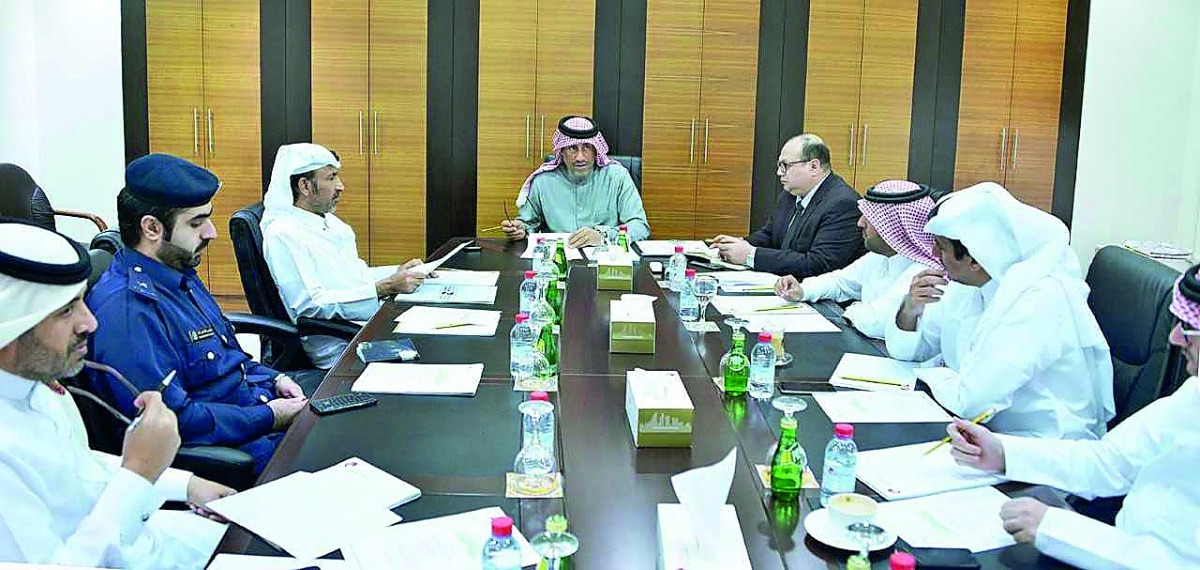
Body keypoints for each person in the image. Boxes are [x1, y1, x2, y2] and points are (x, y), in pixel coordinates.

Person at [0, 220, 232, 567]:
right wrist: (139, 471)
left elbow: (77, 470)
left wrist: (184, 485)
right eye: (66, 310)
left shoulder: (31, 380)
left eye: (80, 302)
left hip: (141, 539)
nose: (90, 323)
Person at [946, 263, 1200, 569]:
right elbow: (1110, 461)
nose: (1174, 338)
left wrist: (1057, 529)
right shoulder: (1192, 396)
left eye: (1188, 328)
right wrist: (1003, 453)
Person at [87, 153, 312, 474]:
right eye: (196, 223)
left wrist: (276, 378)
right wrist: (269, 416)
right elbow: (174, 420)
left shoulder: (176, 271)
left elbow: (225, 354)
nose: (211, 232)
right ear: (151, 228)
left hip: (256, 412)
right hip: (234, 452)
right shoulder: (128, 311)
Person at [886, 182, 1115, 440]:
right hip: (986, 435)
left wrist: (932, 373)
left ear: (974, 258)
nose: (933, 253)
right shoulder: (970, 286)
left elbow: (972, 403)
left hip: (1042, 445)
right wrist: (911, 307)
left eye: (941, 247)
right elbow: (911, 352)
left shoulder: (1038, 299)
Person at [261, 143, 428, 369]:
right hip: (340, 343)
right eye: (331, 178)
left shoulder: (331, 223)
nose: (341, 186)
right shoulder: (283, 234)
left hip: (364, 325)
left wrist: (398, 271)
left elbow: (354, 274)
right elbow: (310, 305)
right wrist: (384, 287)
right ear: (305, 186)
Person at [774, 180, 944, 338]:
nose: (860, 223)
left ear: (894, 226)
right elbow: (839, 282)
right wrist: (803, 290)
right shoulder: (878, 258)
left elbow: (877, 321)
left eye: (870, 217)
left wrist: (854, 310)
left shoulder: (924, 272)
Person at [711, 133, 864, 277]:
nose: (779, 172)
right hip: (785, 284)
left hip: (819, 296)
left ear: (814, 167)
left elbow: (819, 264)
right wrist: (738, 244)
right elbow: (770, 235)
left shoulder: (843, 203)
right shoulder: (791, 194)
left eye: (785, 165)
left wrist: (750, 255)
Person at [500, 115, 650, 248]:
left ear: (596, 150)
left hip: (605, 259)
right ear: (561, 151)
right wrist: (521, 230)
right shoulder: (543, 181)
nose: (580, 157)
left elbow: (640, 226)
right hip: (557, 261)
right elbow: (528, 223)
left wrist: (603, 235)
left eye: (586, 148)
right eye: (572, 148)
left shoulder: (617, 177)